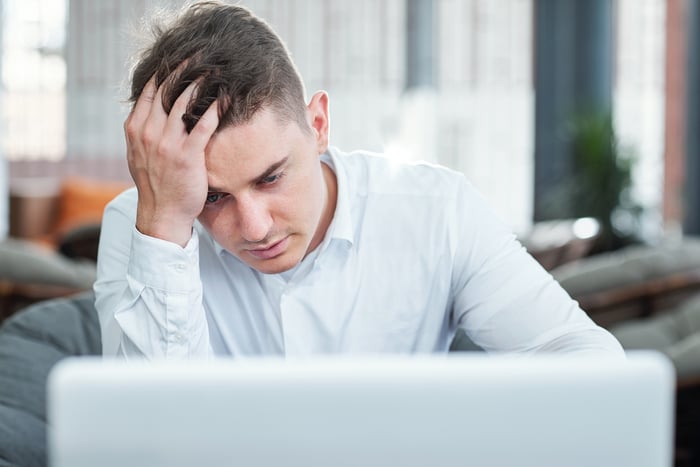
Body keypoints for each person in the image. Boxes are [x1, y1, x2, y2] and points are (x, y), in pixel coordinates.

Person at [94, 1, 623, 359]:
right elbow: (152, 440)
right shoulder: (139, 227)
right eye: (212, 197)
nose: (253, 228)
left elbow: (581, 357)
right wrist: (165, 222)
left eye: (272, 177)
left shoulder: (437, 210)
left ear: (318, 125)